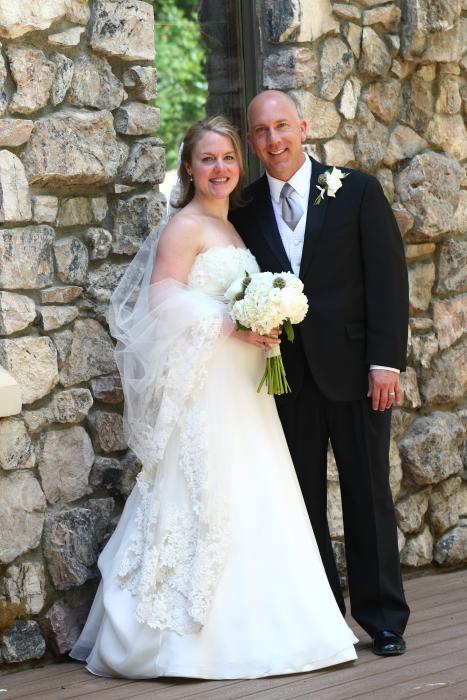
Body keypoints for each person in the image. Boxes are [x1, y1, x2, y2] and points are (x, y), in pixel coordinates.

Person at [70, 116, 357, 679]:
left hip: (244, 388)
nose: (219, 168)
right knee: (205, 492)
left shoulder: (233, 228)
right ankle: (181, 642)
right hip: (208, 390)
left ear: (239, 165)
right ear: (189, 167)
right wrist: (233, 322)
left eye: (227, 158)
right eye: (207, 159)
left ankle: (275, 628)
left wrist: (265, 322)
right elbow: (161, 300)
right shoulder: (185, 226)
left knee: (256, 491)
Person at [230, 90, 410, 657]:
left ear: (303, 128)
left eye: (282, 126)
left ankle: (383, 619)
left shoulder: (356, 190)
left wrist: (385, 362)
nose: (274, 140)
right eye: (262, 131)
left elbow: (388, 280)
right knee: (300, 498)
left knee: (367, 493)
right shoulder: (244, 208)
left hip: (357, 373)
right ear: (252, 141)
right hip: (286, 379)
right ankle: (324, 618)